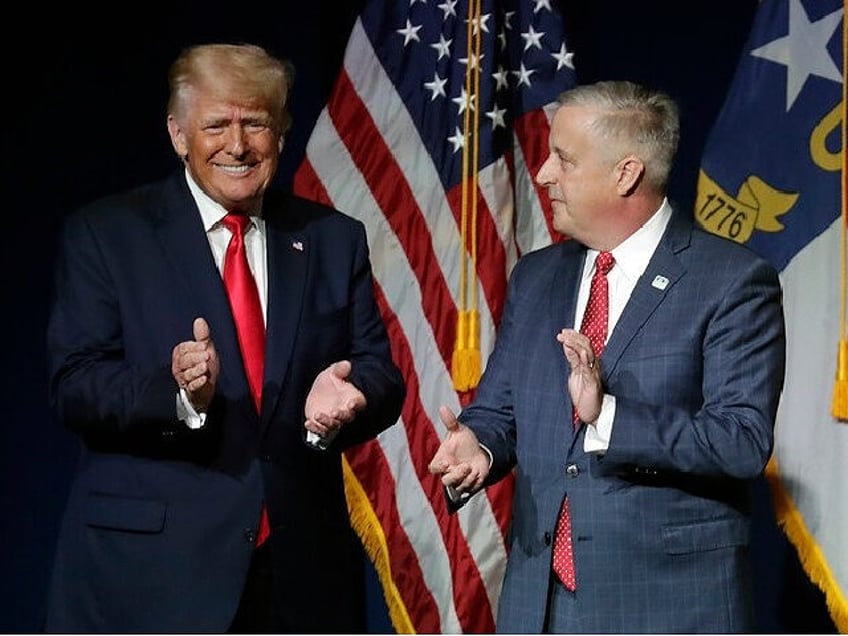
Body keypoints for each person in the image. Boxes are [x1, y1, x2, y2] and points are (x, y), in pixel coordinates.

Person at [44, 42, 405, 633]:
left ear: (282, 132)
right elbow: (74, 384)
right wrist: (177, 393)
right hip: (153, 574)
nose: (237, 145)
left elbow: (379, 371)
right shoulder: (107, 235)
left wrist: (355, 395)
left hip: (299, 574)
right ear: (178, 133)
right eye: (216, 125)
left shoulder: (333, 238)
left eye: (255, 123)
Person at [428, 80, 785, 633]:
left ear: (626, 173)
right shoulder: (537, 277)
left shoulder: (733, 283)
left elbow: (741, 442)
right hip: (541, 605)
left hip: (669, 608)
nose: (543, 174)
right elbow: (501, 409)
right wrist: (479, 446)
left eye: (563, 160)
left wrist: (608, 416)